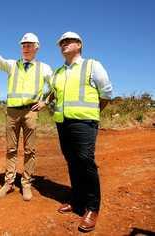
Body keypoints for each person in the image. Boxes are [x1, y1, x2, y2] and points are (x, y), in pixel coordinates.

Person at [0, 33, 52, 201]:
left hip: (30, 112)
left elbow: (55, 87)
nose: (26, 48)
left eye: (29, 45)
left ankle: (26, 183)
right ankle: (9, 183)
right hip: (12, 112)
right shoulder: (13, 65)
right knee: (11, 149)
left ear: (37, 47)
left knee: (30, 150)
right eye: (23, 45)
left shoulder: (45, 68)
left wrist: (45, 102)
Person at [49, 31, 112, 232]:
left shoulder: (92, 65)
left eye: (68, 41)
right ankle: (76, 200)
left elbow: (107, 93)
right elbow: (53, 95)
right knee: (72, 161)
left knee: (85, 161)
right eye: (61, 43)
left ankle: (92, 208)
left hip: (85, 122)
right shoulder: (58, 72)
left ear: (79, 45)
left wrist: (93, 113)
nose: (64, 44)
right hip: (62, 122)